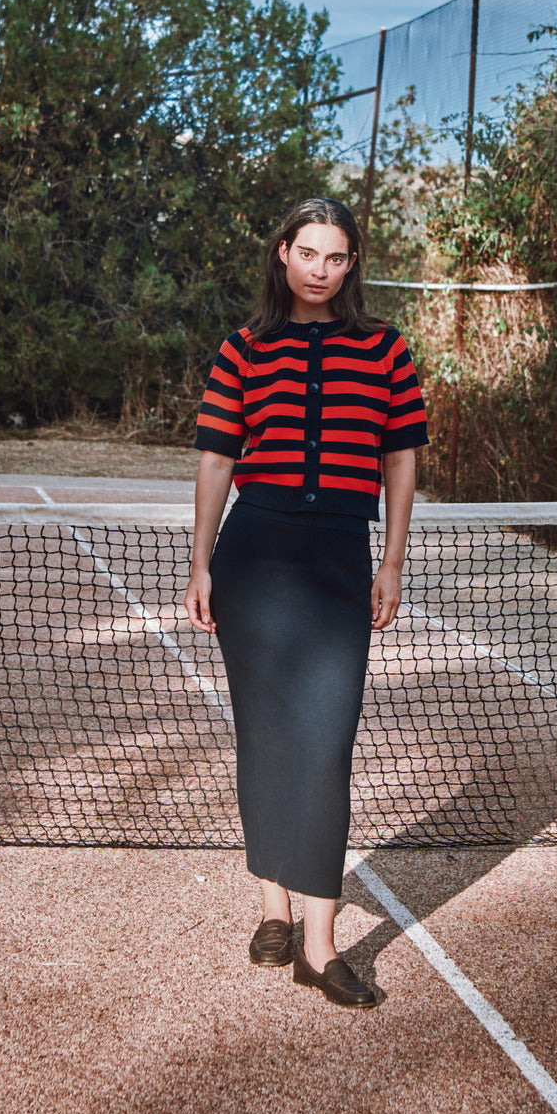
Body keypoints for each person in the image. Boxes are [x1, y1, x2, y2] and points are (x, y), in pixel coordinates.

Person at [184, 195, 428, 1008]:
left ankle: (320, 952)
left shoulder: (385, 351)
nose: (320, 269)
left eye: (336, 256)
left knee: (323, 746)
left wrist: (390, 562)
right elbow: (218, 460)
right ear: (281, 253)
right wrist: (200, 565)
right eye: (307, 252)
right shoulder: (243, 348)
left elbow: (400, 461)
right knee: (265, 736)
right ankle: (274, 911)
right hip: (254, 557)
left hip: (335, 562)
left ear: (351, 263)